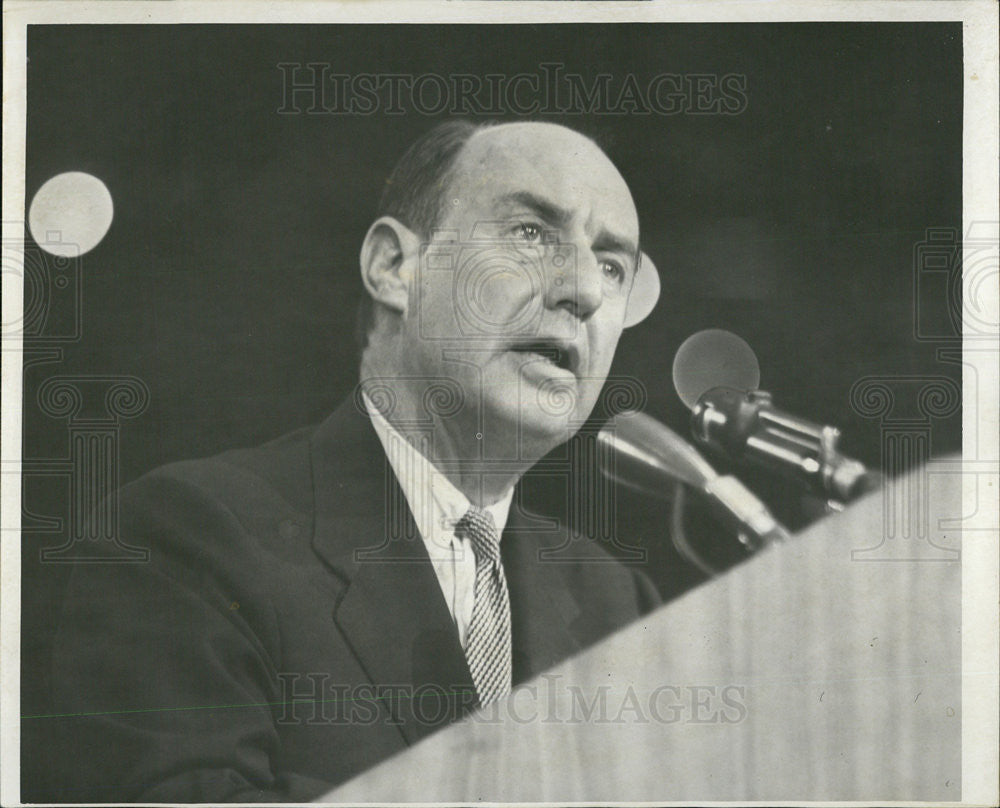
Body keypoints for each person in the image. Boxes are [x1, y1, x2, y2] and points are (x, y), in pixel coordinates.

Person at [41, 120, 661, 802]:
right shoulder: (189, 541)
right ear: (395, 268)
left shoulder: (620, 606)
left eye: (612, 264)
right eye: (531, 233)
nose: (585, 289)